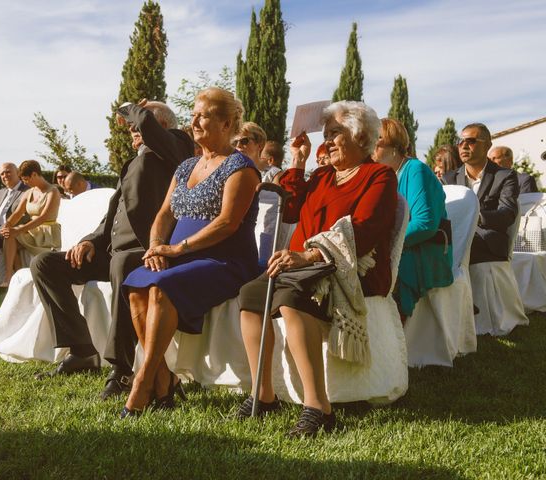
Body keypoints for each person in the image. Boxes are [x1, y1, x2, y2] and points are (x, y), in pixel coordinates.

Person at [237, 101, 398, 437]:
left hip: (350, 269)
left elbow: (365, 227)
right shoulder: (323, 174)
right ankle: (262, 395)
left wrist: (308, 256)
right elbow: (291, 208)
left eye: (335, 133)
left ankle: (318, 408)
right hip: (304, 267)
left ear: (361, 135)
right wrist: (298, 160)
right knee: (251, 295)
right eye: (325, 136)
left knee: (293, 298)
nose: (327, 142)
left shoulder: (378, 175)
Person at [31, 99, 194, 400]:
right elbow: (113, 214)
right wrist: (90, 241)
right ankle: (81, 350)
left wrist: (129, 107)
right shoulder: (135, 161)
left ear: (162, 126)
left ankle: (121, 370)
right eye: (131, 126)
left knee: (123, 265)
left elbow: (148, 126)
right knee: (44, 264)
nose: (132, 130)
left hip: (145, 252)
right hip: (110, 251)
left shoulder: (178, 148)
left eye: (138, 125)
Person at [120, 87, 261, 417]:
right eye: (194, 114)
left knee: (160, 288)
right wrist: (156, 247)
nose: (194, 121)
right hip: (181, 255)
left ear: (226, 124)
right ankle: (164, 378)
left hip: (225, 261)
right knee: (137, 285)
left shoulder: (241, 167)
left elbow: (227, 223)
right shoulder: (186, 167)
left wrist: (177, 248)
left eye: (203, 116)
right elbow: (165, 214)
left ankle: (142, 383)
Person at [373, 118, 453, 319]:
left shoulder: (415, 170)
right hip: (399, 247)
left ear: (394, 147)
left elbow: (424, 224)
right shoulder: (383, 176)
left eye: (377, 142)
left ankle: (391, 333)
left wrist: (384, 246)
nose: (371, 148)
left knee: (374, 272)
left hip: (423, 250)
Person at [443, 123, 519, 264]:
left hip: (487, 245)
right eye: (460, 142)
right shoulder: (449, 178)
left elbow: (508, 214)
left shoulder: (505, 176)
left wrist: (475, 218)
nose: (464, 146)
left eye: (471, 141)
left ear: (487, 145)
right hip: (455, 240)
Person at [1, 160, 61, 286]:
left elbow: (43, 217)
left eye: (26, 179)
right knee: (8, 235)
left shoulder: (52, 191)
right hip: (32, 230)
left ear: (34, 174)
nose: (24, 182)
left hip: (47, 233)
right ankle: (12, 276)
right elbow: (17, 213)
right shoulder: (29, 192)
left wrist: (18, 230)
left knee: (14, 234)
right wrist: (7, 225)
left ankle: (14, 278)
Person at [0, 162, 30, 265]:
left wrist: (1, 230)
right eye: (2, 174)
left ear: (18, 173)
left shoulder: (27, 191)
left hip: (14, 233)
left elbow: (26, 217)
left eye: (8, 172)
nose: (5, 175)